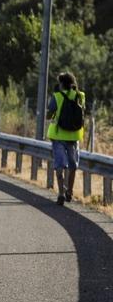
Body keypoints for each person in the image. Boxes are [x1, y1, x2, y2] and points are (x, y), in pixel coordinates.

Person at [46, 72, 86, 205]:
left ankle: (61, 194)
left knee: (59, 165)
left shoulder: (57, 96)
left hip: (58, 136)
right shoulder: (80, 96)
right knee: (73, 165)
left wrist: (51, 114)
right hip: (74, 136)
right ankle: (70, 191)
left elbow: (49, 114)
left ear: (62, 83)